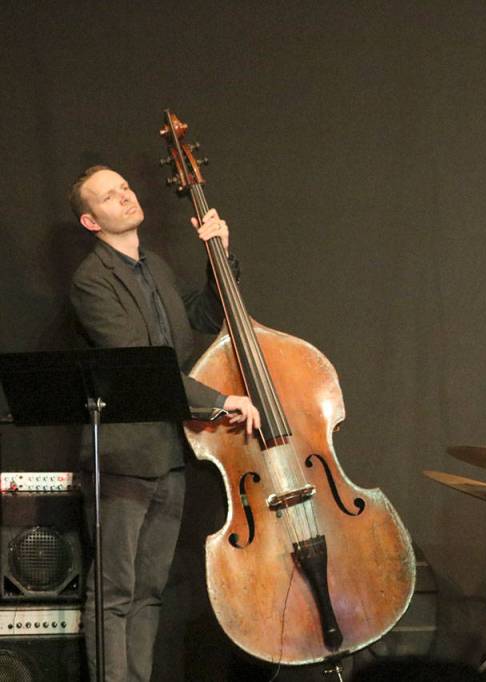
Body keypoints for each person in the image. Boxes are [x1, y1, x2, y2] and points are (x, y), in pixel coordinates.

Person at [68, 165, 260, 682]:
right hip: (121, 458)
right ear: (91, 221)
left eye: (125, 188)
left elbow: (205, 316)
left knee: (149, 593)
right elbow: (142, 365)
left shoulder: (155, 266)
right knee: (114, 593)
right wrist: (221, 401)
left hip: (170, 454)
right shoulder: (91, 280)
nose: (125, 197)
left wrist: (218, 257)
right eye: (109, 197)